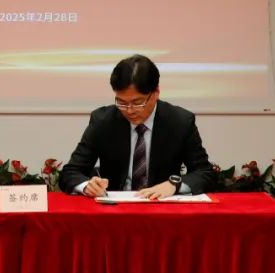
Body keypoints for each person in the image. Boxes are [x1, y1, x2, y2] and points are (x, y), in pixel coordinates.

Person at [60, 54, 216, 198]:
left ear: (156, 93)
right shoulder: (103, 121)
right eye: (121, 102)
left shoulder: (180, 122)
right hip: (114, 208)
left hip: (162, 208)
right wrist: (88, 186)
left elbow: (204, 173)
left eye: (137, 103)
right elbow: (71, 172)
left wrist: (174, 185)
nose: (129, 110)